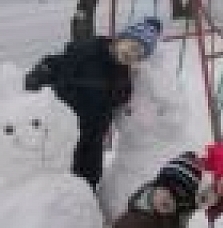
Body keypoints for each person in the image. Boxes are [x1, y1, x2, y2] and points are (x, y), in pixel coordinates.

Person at [23, 17, 162, 188]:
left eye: (139, 55)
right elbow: (56, 63)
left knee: (89, 181)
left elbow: (120, 99)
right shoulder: (87, 51)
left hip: (93, 139)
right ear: (120, 38)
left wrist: (127, 86)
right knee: (57, 178)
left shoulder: (124, 75)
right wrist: (40, 73)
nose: (132, 55)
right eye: (133, 47)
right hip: (64, 129)